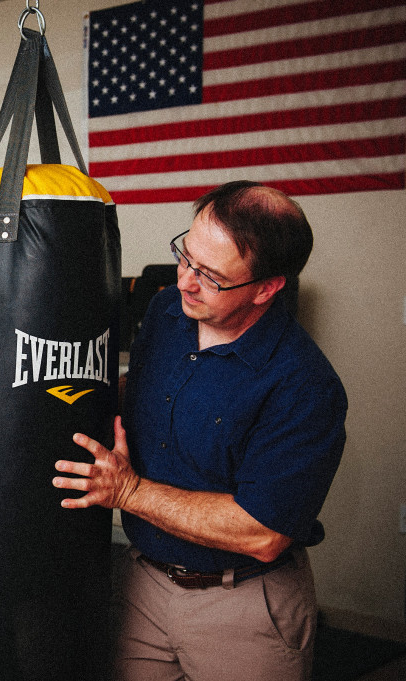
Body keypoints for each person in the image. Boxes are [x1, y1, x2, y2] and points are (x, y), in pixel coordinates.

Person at [52, 181, 347, 681]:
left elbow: (264, 532)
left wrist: (128, 490)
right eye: (184, 256)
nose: (187, 280)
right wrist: (52, 399)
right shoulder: (170, 310)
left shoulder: (304, 385)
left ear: (266, 288)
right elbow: (144, 389)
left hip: (244, 604)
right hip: (141, 582)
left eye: (210, 275)